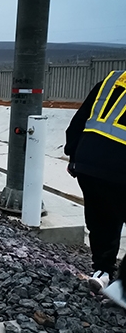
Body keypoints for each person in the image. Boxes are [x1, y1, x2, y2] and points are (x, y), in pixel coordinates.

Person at [65, 69, 126, 298]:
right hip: (120, 166)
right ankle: (122, 290)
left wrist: (73, 156)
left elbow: (79, 120)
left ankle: (102, 271)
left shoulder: (111, 79)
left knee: (102, 219)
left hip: (88, 162)